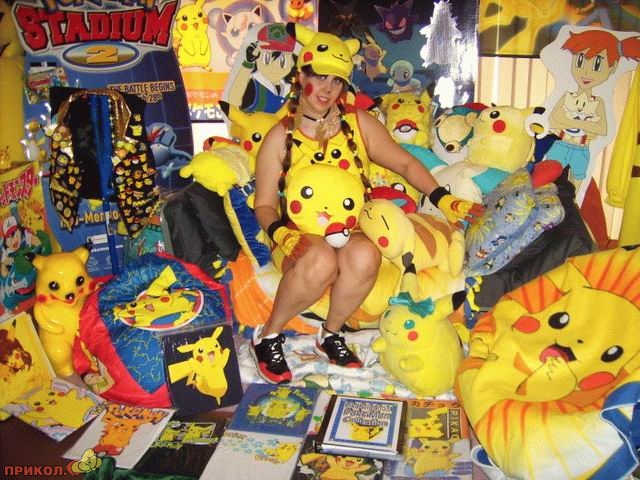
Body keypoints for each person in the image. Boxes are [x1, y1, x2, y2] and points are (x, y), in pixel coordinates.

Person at [250, 23, 483, 384]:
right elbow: (264, 204)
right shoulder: (280, 136)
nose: (328, 89)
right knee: (322, 259)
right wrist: (282, 235)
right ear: (301, 77)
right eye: (320, 77)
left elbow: (405, 163)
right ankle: (268, 336)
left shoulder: (358, 124)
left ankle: (330, 334)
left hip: (349, 228)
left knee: (365, 255)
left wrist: (443, 198)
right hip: (298, 234)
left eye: (337, 81)